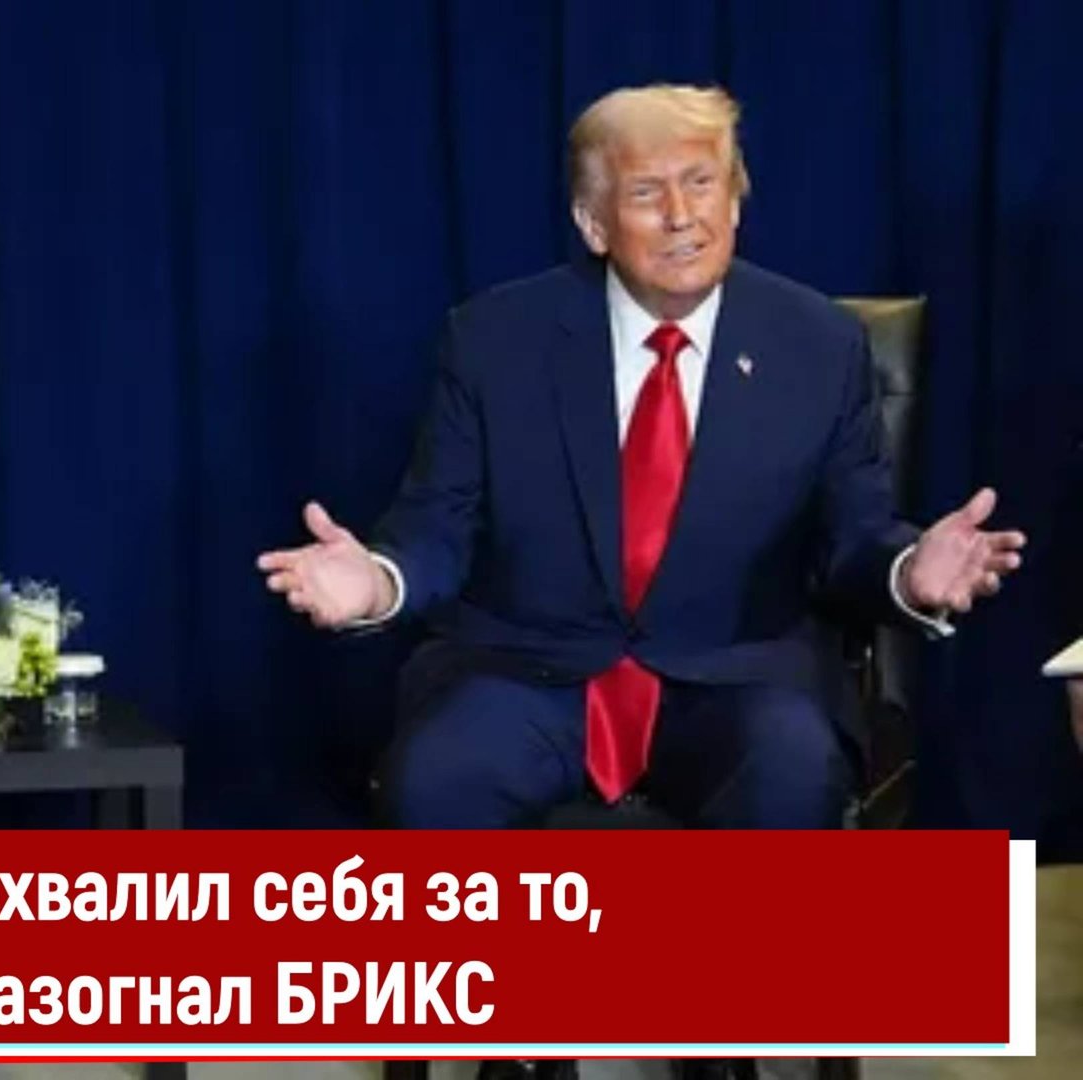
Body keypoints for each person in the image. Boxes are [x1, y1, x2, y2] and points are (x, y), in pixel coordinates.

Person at [258, 84, 1025, 831]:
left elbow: (852, 537)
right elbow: (437, 526)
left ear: (735, 201)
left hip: (738, 675)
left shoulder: (819, 345)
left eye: (702, 183)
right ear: (594, 224)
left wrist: (909, 575)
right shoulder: (494, 338)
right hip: (528, 670)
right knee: (434, 784)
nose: (682, 215)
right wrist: (378, 584)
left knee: (794, 779)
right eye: (647, 193)